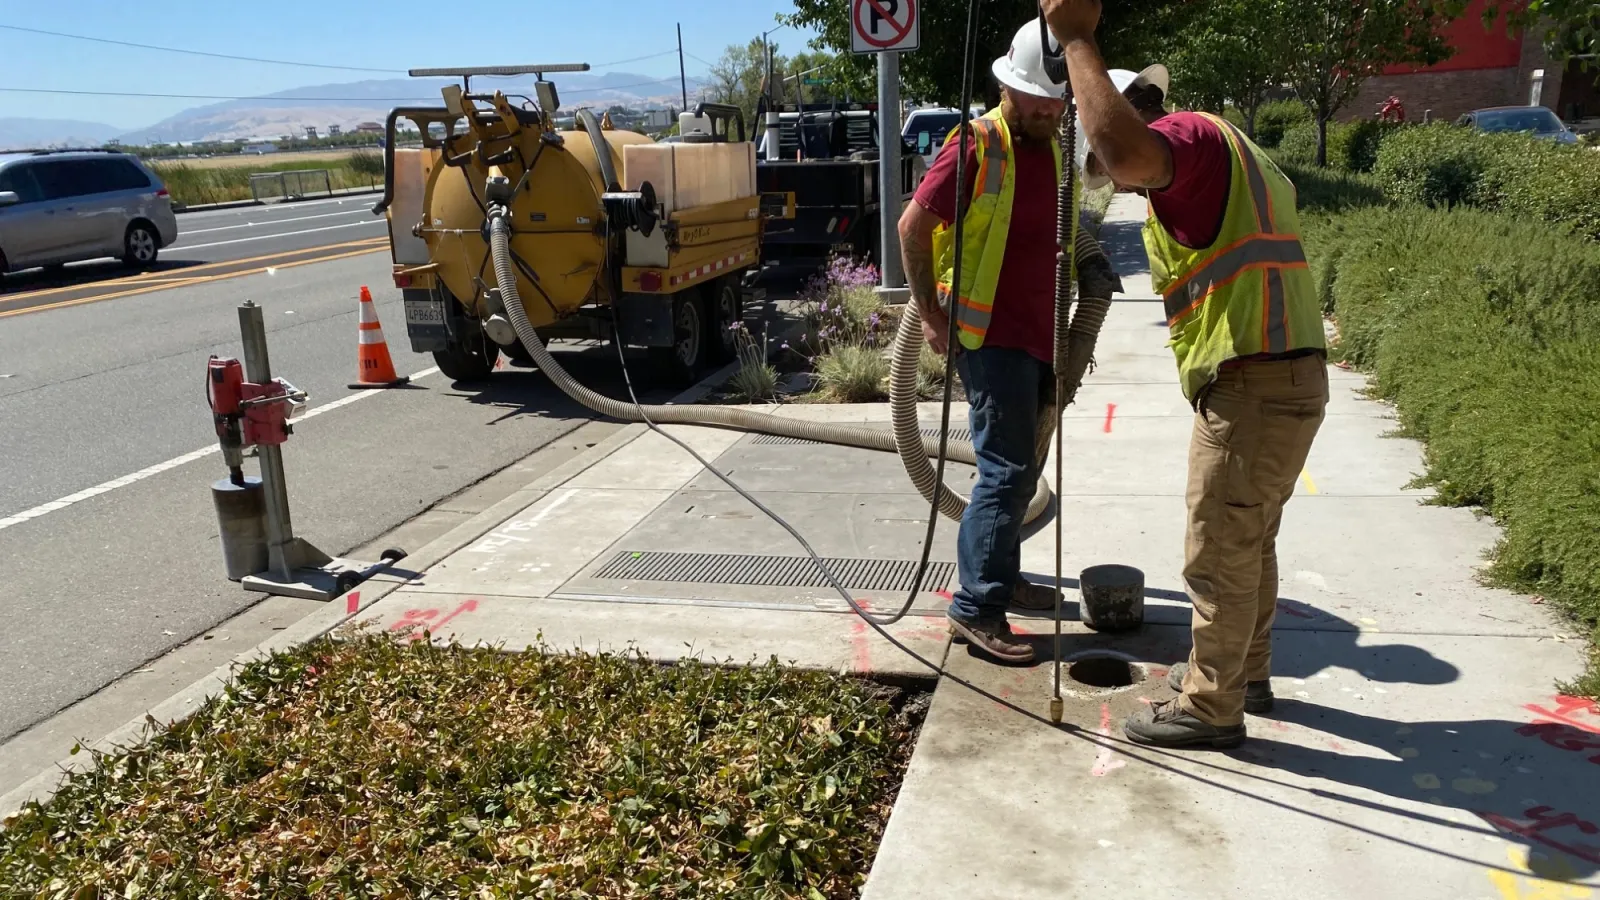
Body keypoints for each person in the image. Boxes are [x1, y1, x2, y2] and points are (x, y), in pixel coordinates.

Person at [1042, 0, 1330, 749]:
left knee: (1216, 550)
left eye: (1100, 161)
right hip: (1284, 376)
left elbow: (1127, 151)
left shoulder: (1185, 143)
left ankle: (1211, 708)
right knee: (1251, 539)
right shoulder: (1233, 154)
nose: (1116, 180)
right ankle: (1244, 674)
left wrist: (1075, 36)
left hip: (1255, 381)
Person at [898, 18, 1114, 664]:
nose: (1052, 110)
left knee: (1023, 466)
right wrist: (932, 315)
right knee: (1004, 470)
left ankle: (1000, 574)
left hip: (1039, 335)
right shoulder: (977, 145)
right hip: (989, 336)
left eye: (1060, 102)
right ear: (1009, 89)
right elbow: (913, 227)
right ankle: (976, 608)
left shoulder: (1052, 146)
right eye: (1041, 100)